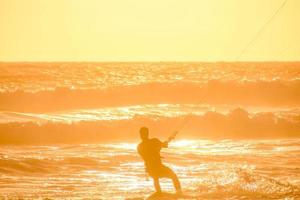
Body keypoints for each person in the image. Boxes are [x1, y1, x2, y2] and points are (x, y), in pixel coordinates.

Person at [137, 127, 182, 194]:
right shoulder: (154, 141)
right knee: (173, 176)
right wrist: (169, 140)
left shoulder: (139, 146)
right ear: (147, 134)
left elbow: (147, 156)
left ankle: (159, 193)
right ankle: (179, 193)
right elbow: (164, 145)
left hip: (149, 169)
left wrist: (160, 146)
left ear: (140, 135)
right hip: (158, 167)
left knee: (155, 178)